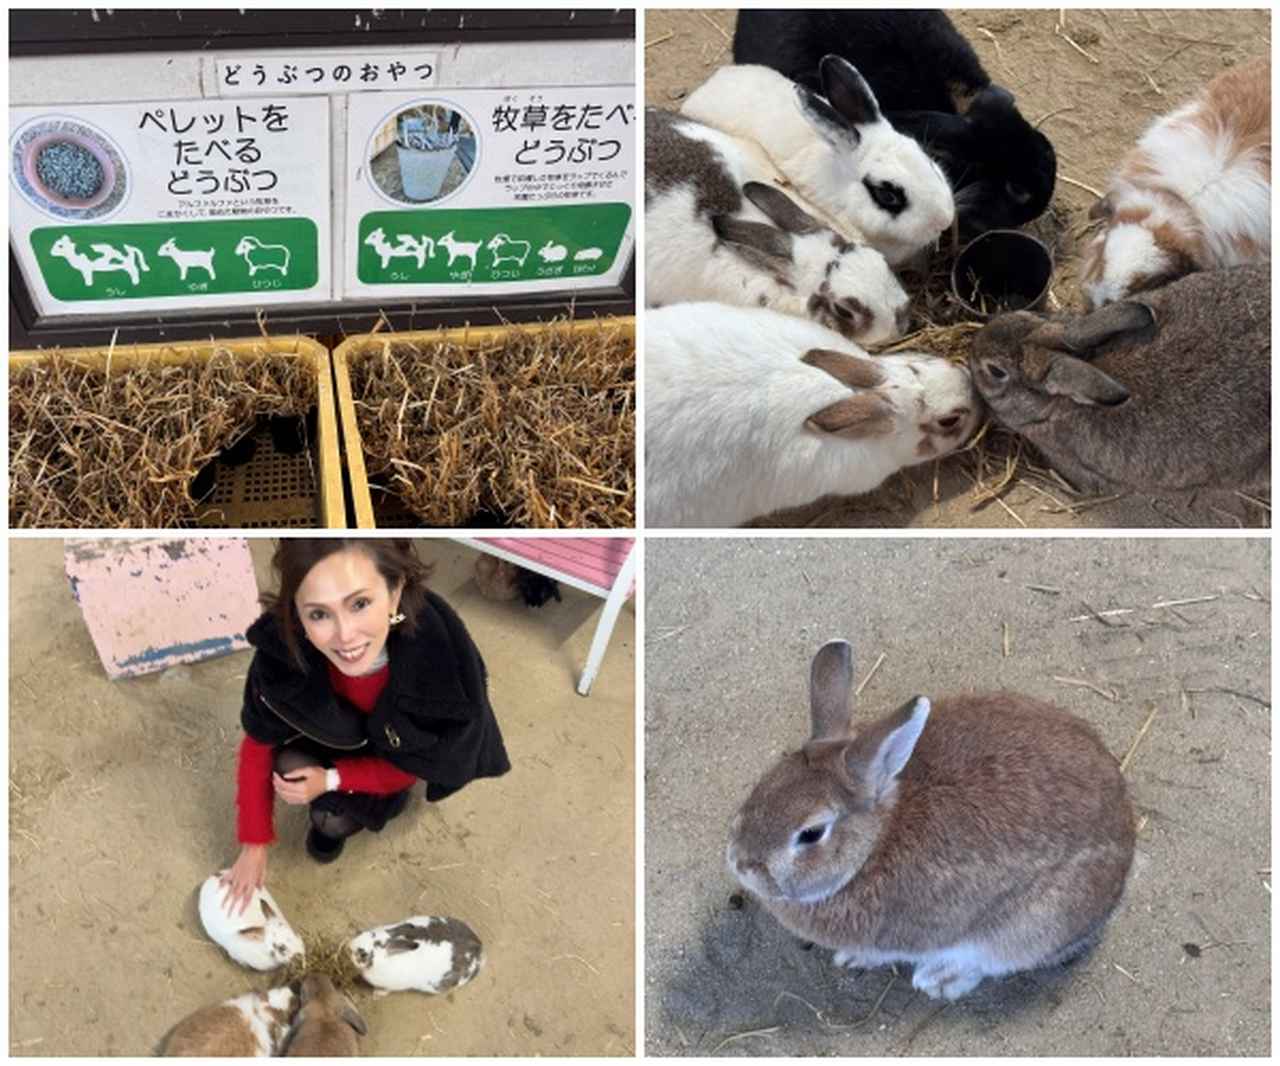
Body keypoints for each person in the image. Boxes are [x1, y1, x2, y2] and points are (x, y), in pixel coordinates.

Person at [220, 539, 510, 914]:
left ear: (395, 592)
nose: (345, 636)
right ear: (296, 613)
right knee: (285, 765)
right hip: (335, 732)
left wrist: (331, 780)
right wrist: (253, 846)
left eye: (359, 604)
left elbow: (412, 766)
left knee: (331, 818)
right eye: (319, 614)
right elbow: (257, 742)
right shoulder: (283, 655)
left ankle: (345, 818)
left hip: (390, 752)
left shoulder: (441, 674)